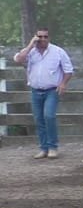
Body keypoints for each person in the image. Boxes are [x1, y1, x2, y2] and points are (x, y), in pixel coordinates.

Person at [13, 27, 74, 159]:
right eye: (40, 37)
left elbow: (68, 70)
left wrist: (63, 83)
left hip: (52, 90)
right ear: (35, 37)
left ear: (49, 38)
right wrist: (30, 45)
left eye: (45, 37)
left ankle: (53, 147)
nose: (43, 39)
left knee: (49, 116)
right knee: (39, 119)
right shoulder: (31, 52)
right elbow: (18, 59)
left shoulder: (58, 52)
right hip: (35, 90)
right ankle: (43, 148)